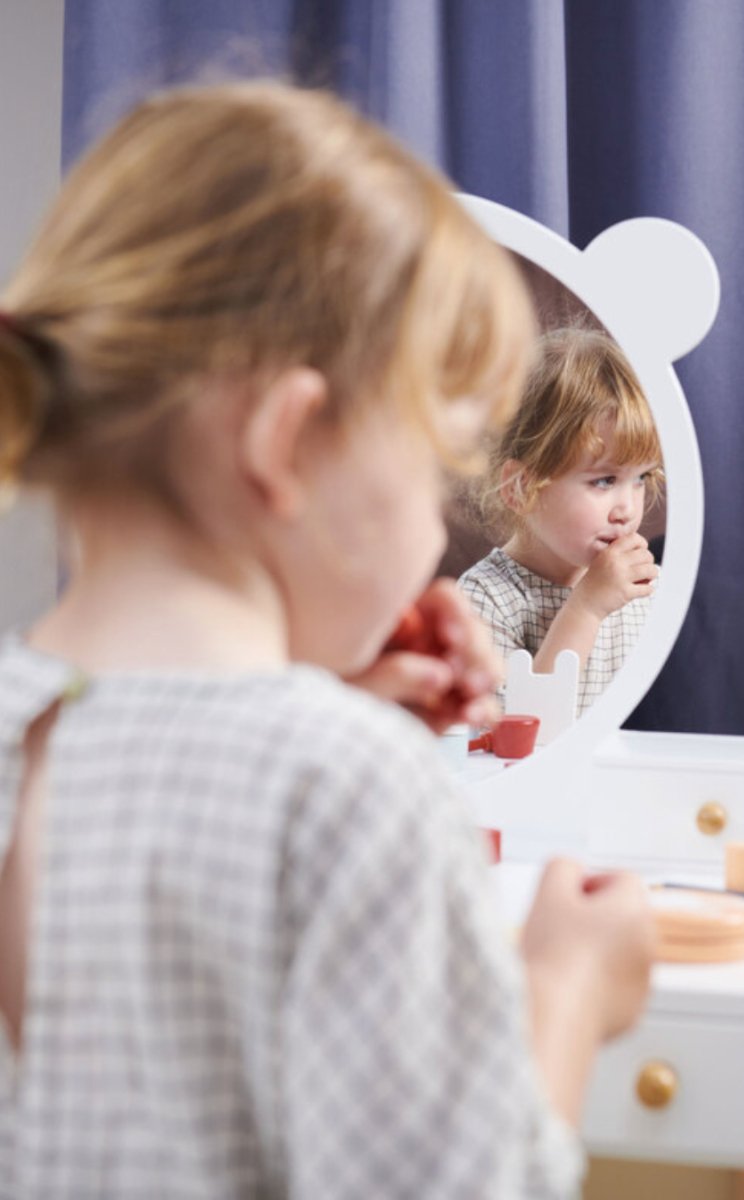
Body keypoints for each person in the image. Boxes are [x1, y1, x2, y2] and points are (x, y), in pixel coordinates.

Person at [0, 81, 653, 1198]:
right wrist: (567, 994)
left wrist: (321, 684)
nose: (429, 525)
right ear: (286, 441)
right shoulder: (352, 788)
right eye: (437, 462)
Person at [459, 327, 663, 716]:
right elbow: (514, 731)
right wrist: (586, 608)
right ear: (521, 488)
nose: (628, 509)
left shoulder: (643, 589)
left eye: (641, 479)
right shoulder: (486, 599)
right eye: (604, 480)